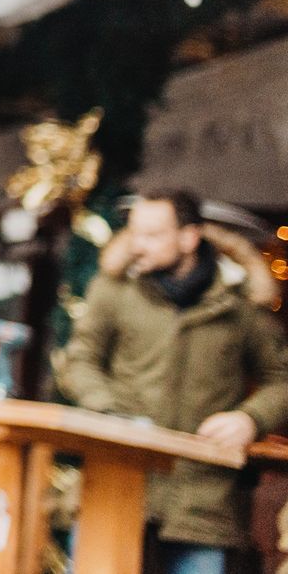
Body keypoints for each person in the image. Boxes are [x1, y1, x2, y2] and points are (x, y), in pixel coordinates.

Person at [58, 189, 288, 574]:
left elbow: (281, 378)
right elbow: (79, 361)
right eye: (134, 233)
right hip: (118, 483)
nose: (138, 245)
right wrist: (106, 410)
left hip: (204, 502)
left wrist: (250, 418)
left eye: (152, 234)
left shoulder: (242, 305)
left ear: (188, 237)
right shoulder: (114, 290)